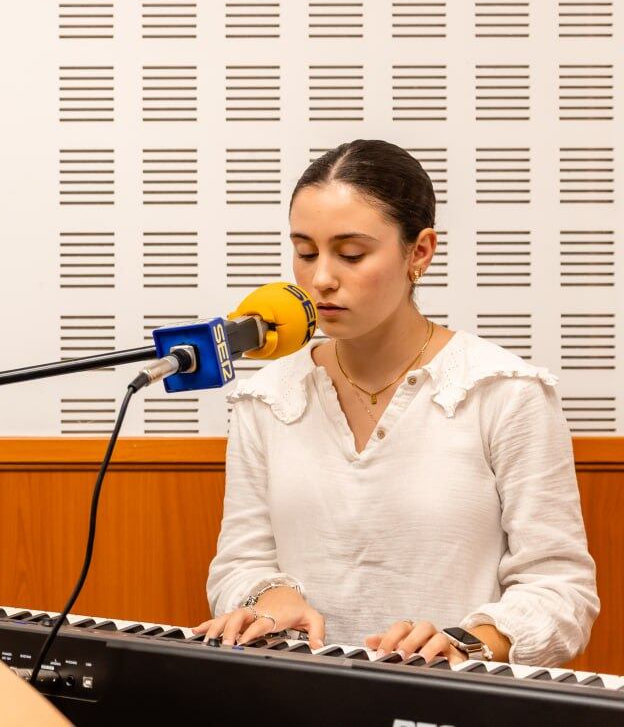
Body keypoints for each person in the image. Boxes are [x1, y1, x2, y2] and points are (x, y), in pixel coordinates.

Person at [195, 140, 599, 667]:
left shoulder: (504, 391)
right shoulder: (267, 397)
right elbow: (239, 564)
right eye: (306, 251)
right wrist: (270, 600)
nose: (321, 279)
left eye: (352, 254)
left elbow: (560, 589)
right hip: (298, 696)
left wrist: (470, 640)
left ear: (420, 252)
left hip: (455, 703)